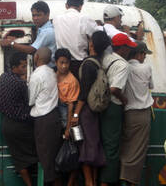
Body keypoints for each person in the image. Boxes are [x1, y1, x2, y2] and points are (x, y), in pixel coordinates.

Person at [72, 31, 109, 186]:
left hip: (86, 112)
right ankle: (92, 180)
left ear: (92, 44)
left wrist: (75, 114)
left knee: (86, 147)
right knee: (93, 145)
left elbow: (84, 93)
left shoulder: (88, 65)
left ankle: (89, 182)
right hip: (96, 111)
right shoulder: (99, 62)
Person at [99, 33, 137, 186]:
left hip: (101, 105)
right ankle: (106, 181)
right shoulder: (122, 65)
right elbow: (114, 89)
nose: (129, 51)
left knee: (103, 143)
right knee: (112, 147)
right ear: (121, 48)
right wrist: (124, 99)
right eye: (127, 48)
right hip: (113, 106)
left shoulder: (105, 58)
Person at [0, 52, 38, 186]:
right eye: (22, 66)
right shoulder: (21, 84)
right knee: (39, 153)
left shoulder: (3, 77)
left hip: (6, 125)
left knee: (19, 159)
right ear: (14, 67)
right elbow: (28, 102)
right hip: (21, 126)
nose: (25, 69)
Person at [119, 41, 154, 186]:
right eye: (144, 54)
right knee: (138, 152)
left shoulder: (124, 67)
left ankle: (122, 176)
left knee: (126, 147)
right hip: (142, 114)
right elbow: (151, 86)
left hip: (127, 113)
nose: (145, 57)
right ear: (139, 54)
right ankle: (131, 181)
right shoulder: (145, 68)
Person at [29, 47, 62, 186]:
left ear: (36, 57)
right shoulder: (53, 72)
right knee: (53, 157)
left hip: (43, 120)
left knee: (45, 159)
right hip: (55, 117)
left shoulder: (36, 75)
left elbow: (31, 100)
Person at [53, 0, 98, 79]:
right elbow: (97, 36)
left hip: (61, 63)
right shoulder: (84, 18)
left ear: (66, 5)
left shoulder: (56, 19)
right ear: (80, 6)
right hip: (80, 63)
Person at [0, 1, 56, 67]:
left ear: (47, 15)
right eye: (33, 15)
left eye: (38, 15)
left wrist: (11, 43)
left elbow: (31, 50)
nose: (35, 18)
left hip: (48, 68)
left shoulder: (47, 32)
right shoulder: (42, 29)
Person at [55, 48, 80, 186]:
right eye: (61, 62)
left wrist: (68, 127)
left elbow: (71, 105)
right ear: (56, 62)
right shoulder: (53, 75)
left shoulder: (72, 81)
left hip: (69, 117)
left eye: (66, 63)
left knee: (74, 152)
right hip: (57, 115)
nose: (64, 66)